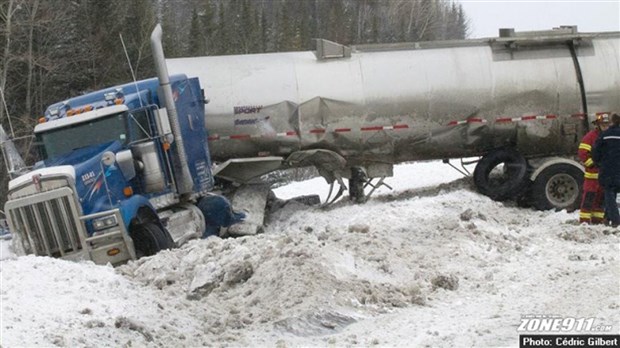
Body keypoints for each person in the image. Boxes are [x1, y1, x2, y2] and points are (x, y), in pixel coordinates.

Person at [577, 113, 610, 224]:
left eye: (607, 125)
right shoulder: (591, 137)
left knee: (600, 201)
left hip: (604, 176)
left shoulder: (609, 136)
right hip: (592, 177)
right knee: (588, 200)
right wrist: (592, 164)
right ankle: (584, 222)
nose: (605, 127)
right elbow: (582, 152)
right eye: (603, 125)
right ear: (598, 125)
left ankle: (597, 221)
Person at [592, 113, 620, 227]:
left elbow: (595, 152)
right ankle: (607, 218)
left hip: (608, 169)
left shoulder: (604, 135)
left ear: (612, 123)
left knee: (609, 192)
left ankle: (615, 219)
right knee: (613, 193)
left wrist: (598, 163)